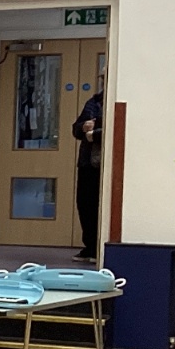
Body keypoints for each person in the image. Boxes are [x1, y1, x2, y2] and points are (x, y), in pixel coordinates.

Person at [73, 77, 105, 262]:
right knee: (84, 204)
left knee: (99, 205)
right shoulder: (92, 102)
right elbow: (76, 129)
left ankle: (99, 248)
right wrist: (83, 127)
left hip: (103, 164)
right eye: (102, 78)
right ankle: (90, 246)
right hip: (86, 162)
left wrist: (96, 130)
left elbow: (116, 126)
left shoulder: (114, 100)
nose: (103, 82)